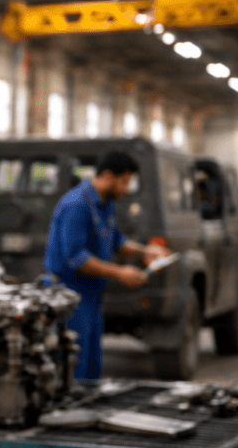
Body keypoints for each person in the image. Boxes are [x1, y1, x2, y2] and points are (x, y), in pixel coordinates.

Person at [43, 150, 170, 382]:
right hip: (69, 296)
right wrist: (119, 272)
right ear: (109, 176)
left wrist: (146, 251)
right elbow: (77, 258)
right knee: (74, 369)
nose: (126, 188)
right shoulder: (77, 205)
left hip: (91, 296)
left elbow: (116, 241)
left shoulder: (105, 204)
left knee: (92, 368)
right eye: (124, 182)